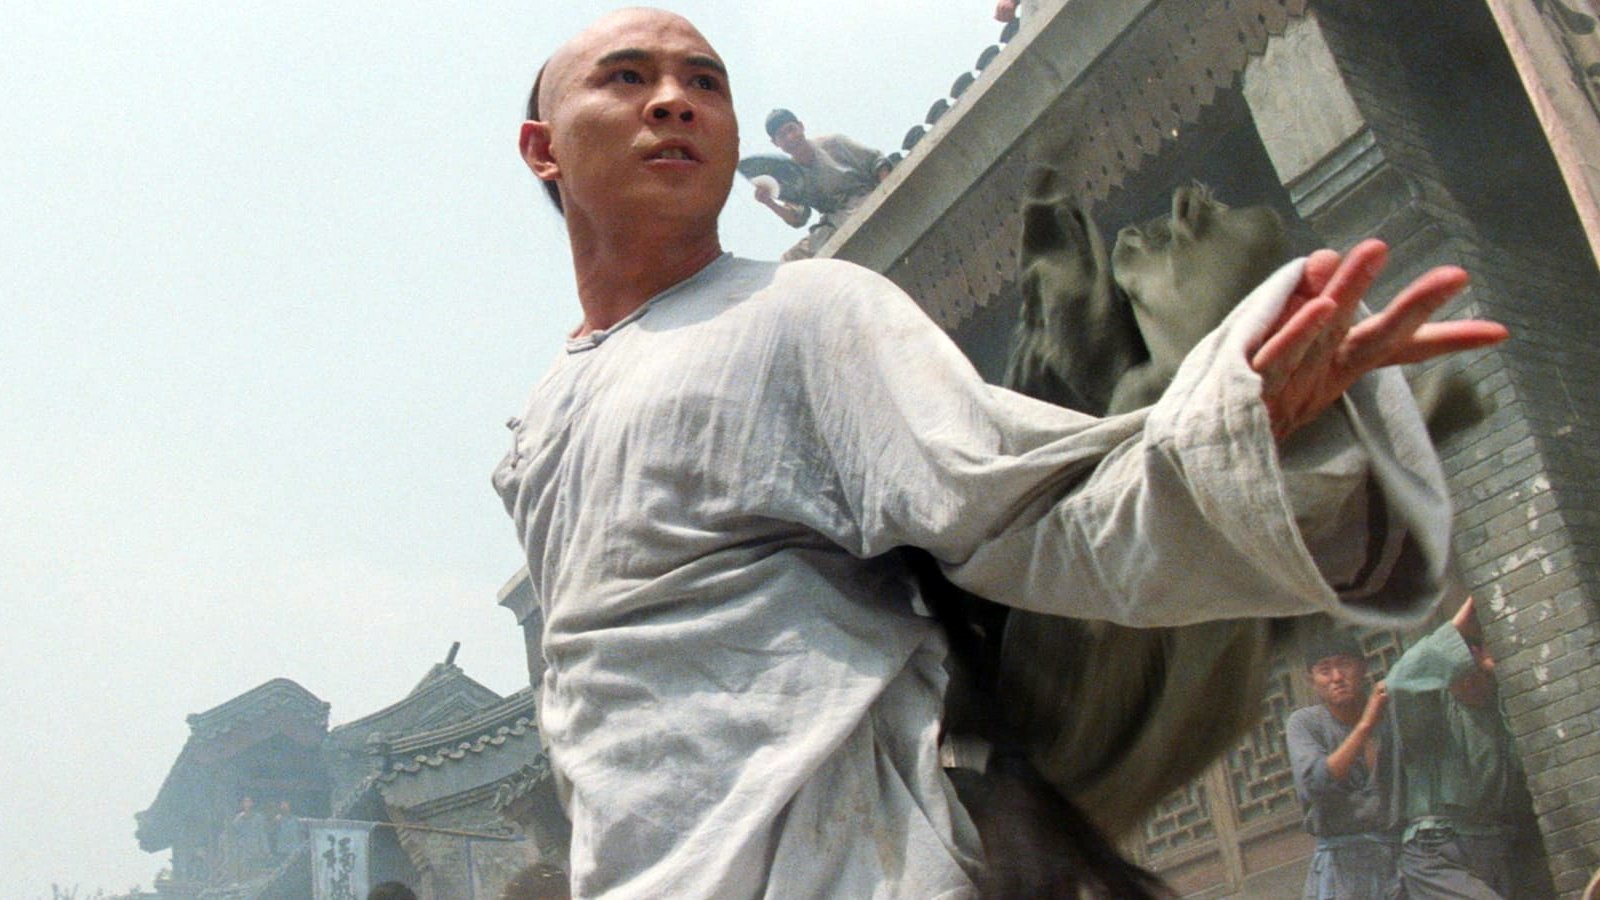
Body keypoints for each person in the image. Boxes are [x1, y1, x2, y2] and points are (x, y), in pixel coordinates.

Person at [500, 8, 1507, 897]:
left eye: (705, 82)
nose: (675, 100)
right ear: (543, 149)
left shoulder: (806, 313)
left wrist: (1247, 435)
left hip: (838, 869)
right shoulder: (541, 422)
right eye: (627, 77)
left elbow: (1029, 510)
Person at [1388, 596, 1523, 898]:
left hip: (1491, 851)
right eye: (1459, 674)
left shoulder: (1499, 713)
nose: (1468, 682)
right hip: (1437, 852)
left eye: (1476, 672)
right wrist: (1456, 630)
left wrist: (1499, 673)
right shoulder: (1432, 719)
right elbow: (1400, 682)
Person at [1286, 629, 1401, 899]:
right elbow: (1315, 783)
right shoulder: (1305, 723)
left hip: (1400, 860)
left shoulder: (1392, 714)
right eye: (1325, 670)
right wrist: (1365, 725)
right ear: (1311, 680)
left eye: (1344, 665)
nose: (1337, 677)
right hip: (1342, 871)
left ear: (1362, 667)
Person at [753, 108, 891, 260]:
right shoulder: (792, 177)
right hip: (833, 223)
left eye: (791, 129)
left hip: (865, 201)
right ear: (775, 143)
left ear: (801, 126)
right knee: (790, 260)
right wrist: (769, 202)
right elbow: (797, 218)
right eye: (782, 135)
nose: (790, 137)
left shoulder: (833, 143)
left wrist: (887, 196)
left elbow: (877, 162)